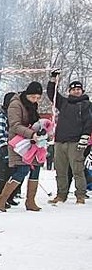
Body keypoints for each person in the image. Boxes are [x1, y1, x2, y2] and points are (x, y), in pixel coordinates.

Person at [0, 82, 47, 212]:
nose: (35, 100)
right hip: (19, 143)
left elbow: (33, 121)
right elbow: (15, 125)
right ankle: (2, 198)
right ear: (27, 94)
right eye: (33, 97)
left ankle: (30, 200)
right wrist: (31, 133)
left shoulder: (33, 105)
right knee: (22, 170)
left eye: (38, 98)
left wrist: (41, 129)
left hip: (33, 143)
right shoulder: (15, 104)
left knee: (36, 168)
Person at [47, 72, 91, 204]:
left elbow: (89, 121)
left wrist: (85, 137)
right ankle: (61, 194)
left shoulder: (87, 104)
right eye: (73, 89)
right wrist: (53, 79)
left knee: (78, 170)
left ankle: (80, 195)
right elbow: (51, 94)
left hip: (76, 142)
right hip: (60, 141)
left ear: (82, 91)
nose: (76, 91)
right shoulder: (64, 103)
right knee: (61, 171)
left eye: (78, 89)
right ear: (69, 91)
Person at [0, 92, 18, 209]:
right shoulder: (1, 115)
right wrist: (4, 146)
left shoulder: (10, 114)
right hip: (2, 149)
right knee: (2, 175)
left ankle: (9, 197)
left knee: (11, 174)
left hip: (11, 148)